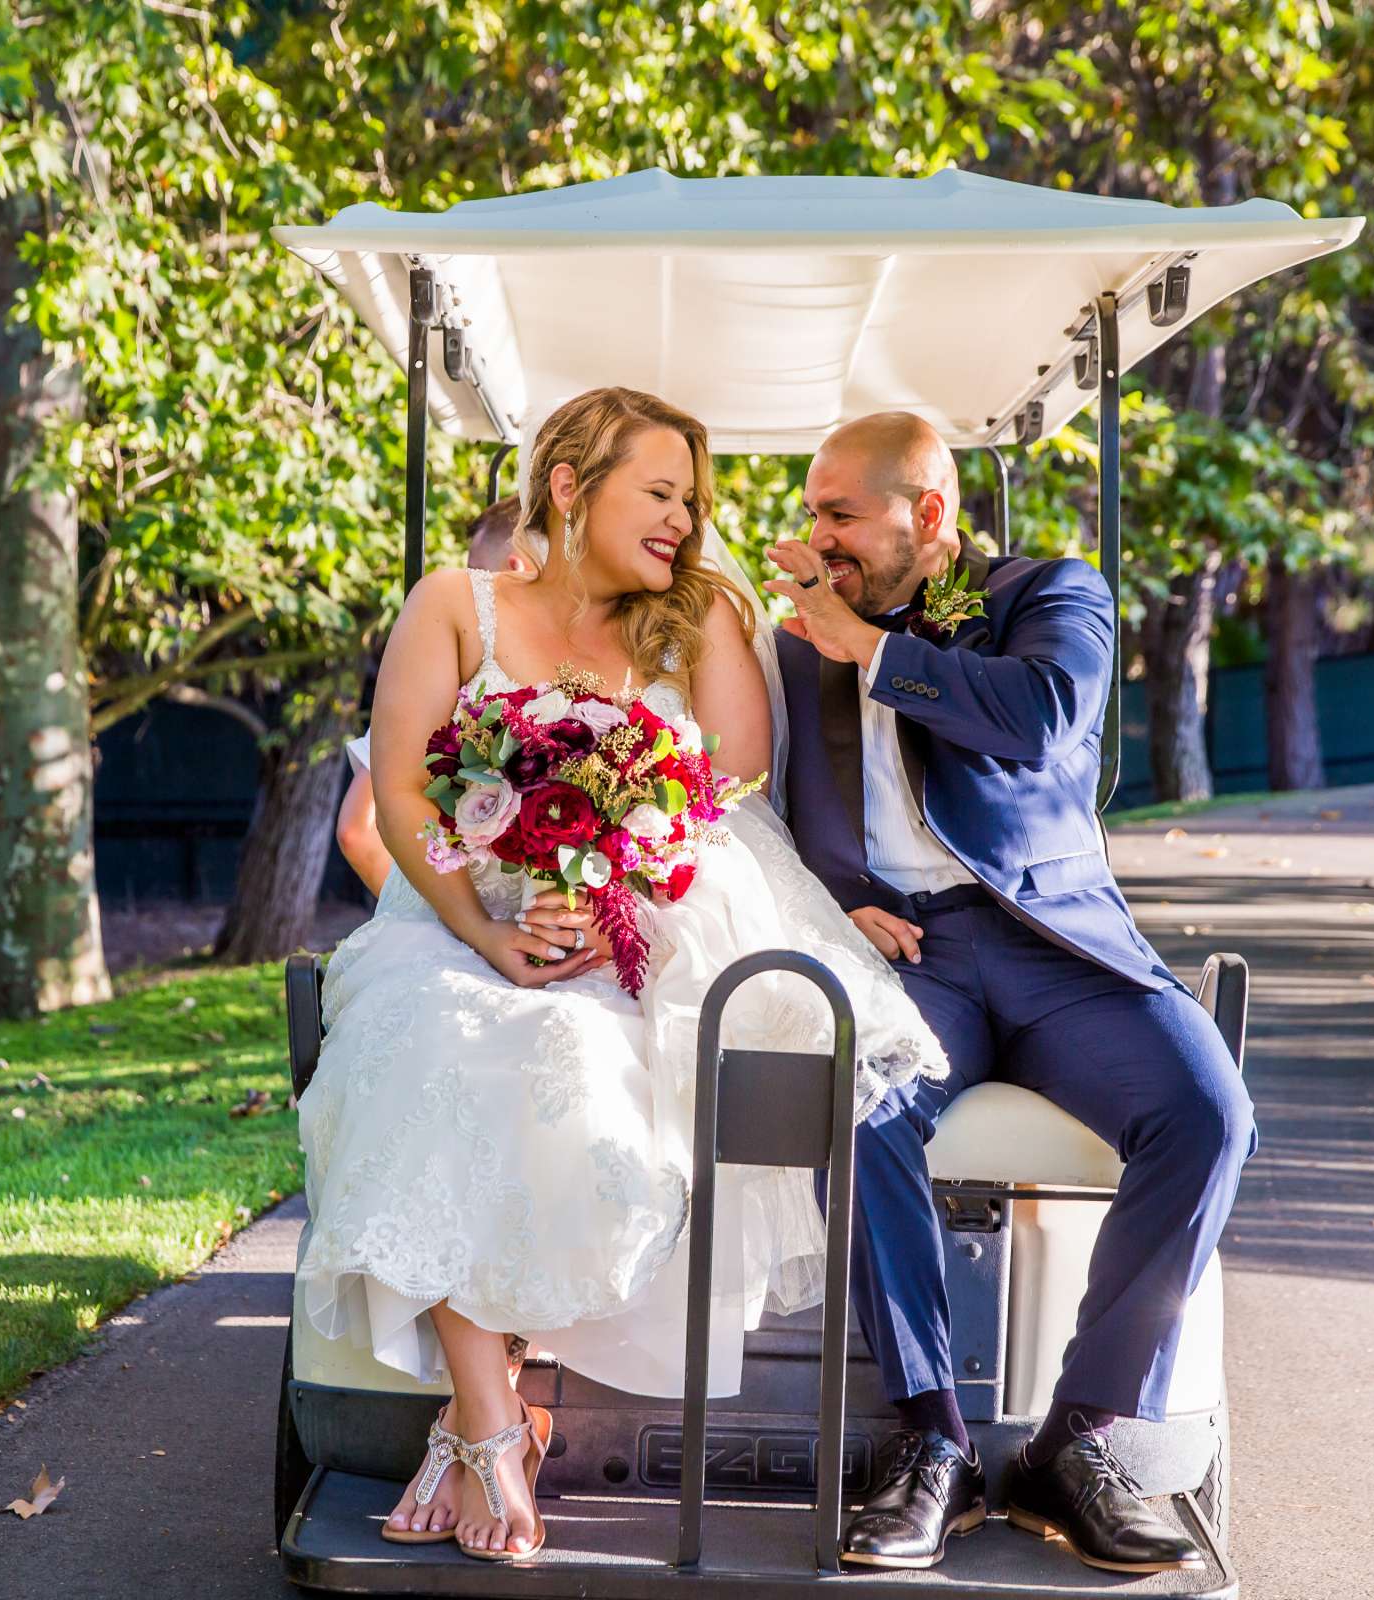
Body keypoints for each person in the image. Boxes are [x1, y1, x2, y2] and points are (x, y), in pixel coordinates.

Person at [293, 388, 947, 1564]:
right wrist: (487, 931)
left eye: (692, 502)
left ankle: (474, 1412)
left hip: (616, 936)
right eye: (661, 494)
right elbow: (400, 796)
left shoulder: (678, 622)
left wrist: (715, 616)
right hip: (451, 919)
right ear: (568, 486)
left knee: (579, 1068)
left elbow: (732, 791)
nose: (684, 519)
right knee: (433, 1039)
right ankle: (494, 1424)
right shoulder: (456, 605)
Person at [762, 412, 1254, 1575]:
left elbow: (1042, 719)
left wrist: (874, 652)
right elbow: (756, 806)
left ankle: (1074, 1440)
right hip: (905, 959)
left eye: (841, 513)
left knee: (1210, 1115)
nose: (815, 536)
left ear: (927, 516)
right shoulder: (789, 642)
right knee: (859, 1105)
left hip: (1052, 946)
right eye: (812, 511)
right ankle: (930, 1442)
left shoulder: (1051, 593)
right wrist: (828, 908)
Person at [335, 498, 543, 897]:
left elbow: (355, 832)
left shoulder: (447, 675)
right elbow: (356, 833)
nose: (474, 595)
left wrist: (427, 916)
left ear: (513, 566)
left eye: (478, 576)